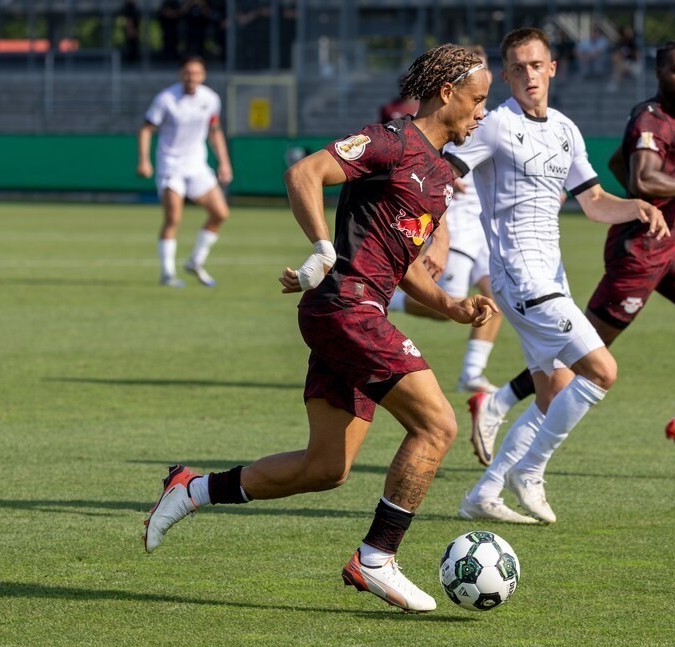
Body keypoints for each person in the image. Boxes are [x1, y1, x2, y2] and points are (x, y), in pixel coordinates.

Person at [142, 44, 496, 613]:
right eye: (478, 100)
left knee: (326, 467)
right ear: (447, 93)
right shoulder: (390, 140)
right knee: (437, 426)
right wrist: (324, 248)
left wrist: (452, 306)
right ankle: (377, 557)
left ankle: (192, 489)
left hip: (359, 311)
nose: (483, 112)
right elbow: (304, 173)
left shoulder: (436, 175)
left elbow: (399, 266)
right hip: (346, 309)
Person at [470, 41, 675, 469]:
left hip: (668, 245)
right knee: (584, 359)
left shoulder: (650, 123)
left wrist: (641, 204)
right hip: (636, 255)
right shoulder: (649, 119)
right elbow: (641, 175)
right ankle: (502, 415)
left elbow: (612, 175)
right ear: (660, 74)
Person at [446, 27, 666, 525]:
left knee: (553, 393)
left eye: (536, 65)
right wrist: (431, 231)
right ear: (505, 75)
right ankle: (530, 471)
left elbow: (593, 203)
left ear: (552, 68)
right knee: (602, 372)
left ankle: (486, 491)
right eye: (518, 67)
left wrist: (636, 206)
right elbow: (447, 171)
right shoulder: (496, 125)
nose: (528, 75)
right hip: (519, 276)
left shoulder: (566, 128)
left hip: (552, 275)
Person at [386, 45, 506, 400]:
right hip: (455, 222)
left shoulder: (484, 118)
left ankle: (472, 373)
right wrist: (441, 235)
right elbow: (434, 177)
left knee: (494, 297)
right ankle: (390, 297)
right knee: (449, 304)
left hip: (482, 227)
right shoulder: (449, 123)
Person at [137, 55, 233, 288]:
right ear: (181, 74)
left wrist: (224, 162)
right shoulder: (167, 99)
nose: (192, 77)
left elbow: (214, 131)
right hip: (171, 166)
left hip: (197, 165)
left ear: (203, 75)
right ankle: (167, 273)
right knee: (173, 218)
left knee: (220, 213)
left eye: (197, 73)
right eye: (188, 72)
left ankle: (195, 262)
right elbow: (146, 129)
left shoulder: (210, 99)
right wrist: (144, 160)